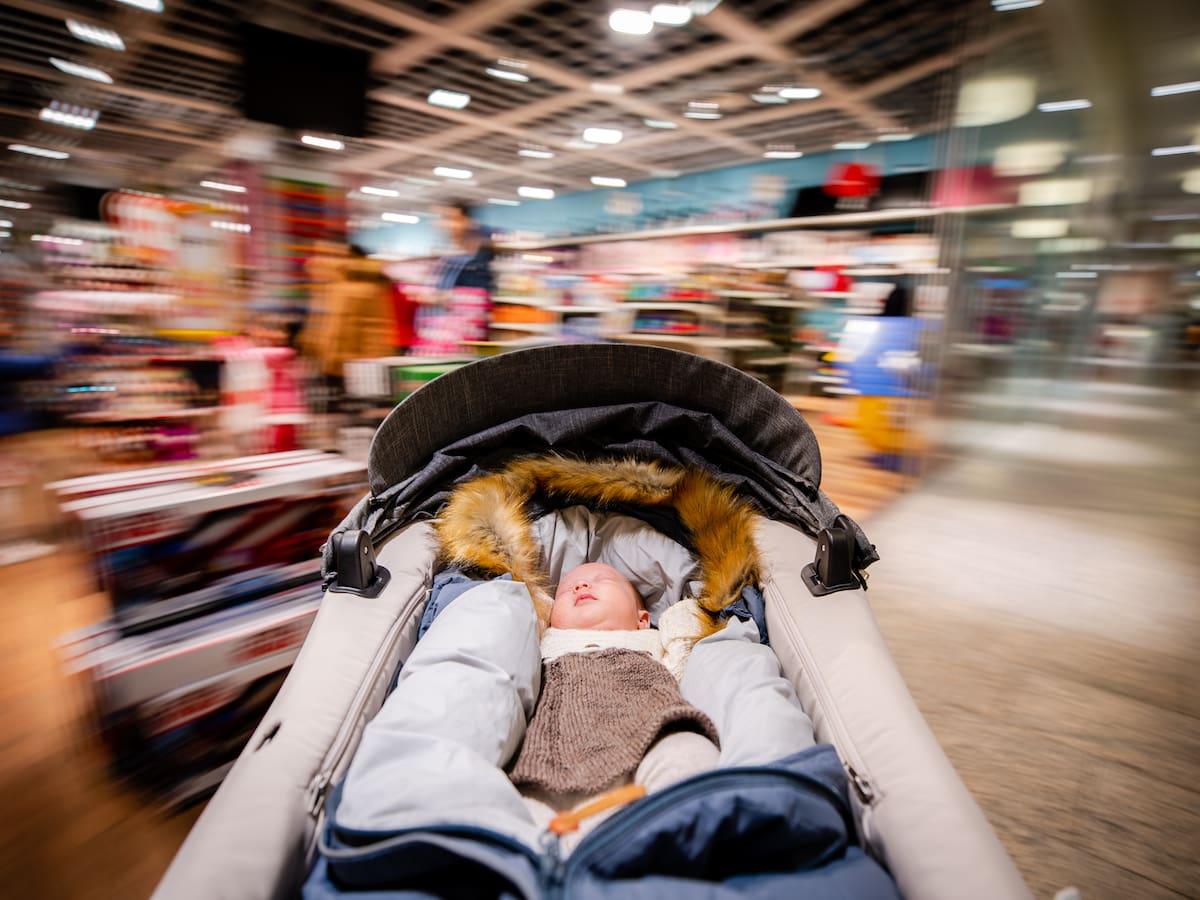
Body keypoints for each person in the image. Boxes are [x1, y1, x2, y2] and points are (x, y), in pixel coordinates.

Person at [336, 560, 815, 845]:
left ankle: (680, 842)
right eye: (568, 589)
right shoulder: (540, 643)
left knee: (691, 764)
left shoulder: (655, 642)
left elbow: (700, 638)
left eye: (600, 581)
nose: (581, 586)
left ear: (643, 617)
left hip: (656, 730)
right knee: (524, 819)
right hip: (548, 754)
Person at [298, 242, 395, 394]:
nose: (316, 261)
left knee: (357, 407)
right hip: (337, 365)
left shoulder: (361, 290)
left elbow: (374, 331)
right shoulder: (330, 289)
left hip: (354, 366)